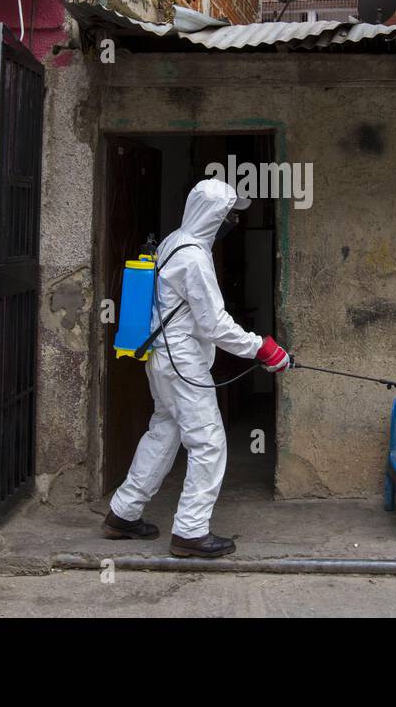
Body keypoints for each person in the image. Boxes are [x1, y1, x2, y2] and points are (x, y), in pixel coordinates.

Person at [104, 178, 290, 558]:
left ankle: (124, 512)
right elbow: (214, 323)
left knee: (164, 432)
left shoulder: (175, 241)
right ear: (213, 215)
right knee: (208, 443)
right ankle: (190, 531)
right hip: (182, 362)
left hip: (161, 358)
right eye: (228, 214)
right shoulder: (194, 257)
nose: (231, 222)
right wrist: (262, 348)